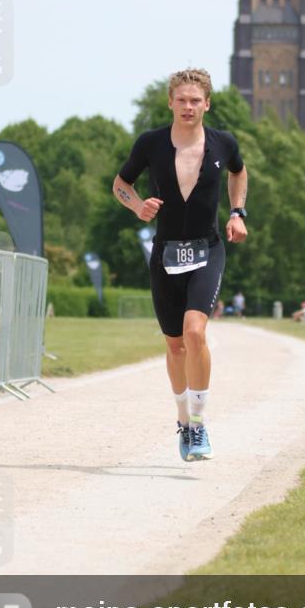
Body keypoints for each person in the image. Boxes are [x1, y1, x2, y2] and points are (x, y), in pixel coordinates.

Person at [112, 68, 248, 462]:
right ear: (170, 102)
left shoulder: (224, 143)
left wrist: (238, 212)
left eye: (195, 100)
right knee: (174, 346)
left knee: (195, 333)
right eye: (181, 100)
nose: (188, 106)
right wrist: (137, 205)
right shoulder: (151, 143)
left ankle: (200, 425)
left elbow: (239, 172)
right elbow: (121, 183)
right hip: (166, 251)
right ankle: (183, 422)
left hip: (208, 248)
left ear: (207, 104)